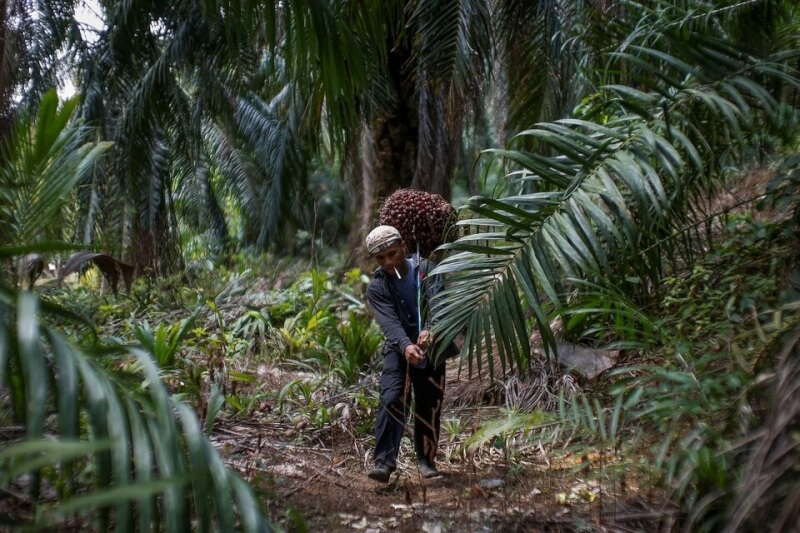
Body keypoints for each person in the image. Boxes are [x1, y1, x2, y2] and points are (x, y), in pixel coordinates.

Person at [364, 225, 459, 483]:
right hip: (398, 350)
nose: (388, 262)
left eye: (392, 254)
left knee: (429, 404)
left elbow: (438, 303)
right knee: (391, 398)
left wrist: (430, 329)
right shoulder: (377, 287)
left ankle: (427, 462)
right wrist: (406, 345)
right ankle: (384, 463)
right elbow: (389, 323)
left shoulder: (426, 269)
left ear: (403, 247)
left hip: (433, 348)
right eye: (381, 258)